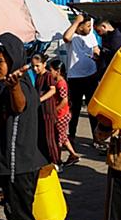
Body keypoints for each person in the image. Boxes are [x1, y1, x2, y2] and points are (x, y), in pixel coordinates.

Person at [0, 33, 51, 220]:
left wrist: (12, 87)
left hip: (18, 165)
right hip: (28, 161)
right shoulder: (24, 80)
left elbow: (19, 105)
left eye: (0, 61)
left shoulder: (18, 85)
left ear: (13, 61)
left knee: (21, 218)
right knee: (21, 214)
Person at [62, 15, 100, 145]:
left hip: (91, 76)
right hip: (75, 78)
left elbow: (96, 49)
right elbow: (66, 37)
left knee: (92, 110)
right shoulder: (73, 36)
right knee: (75, 110)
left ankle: (97, 138)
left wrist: (98, 55)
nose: (90, 28)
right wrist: (77, 21)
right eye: (88, 25)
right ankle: (71, 136)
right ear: (80, 26)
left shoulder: (91, 35)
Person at [31, 53, 61, 166]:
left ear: (44, 64)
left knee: (50, 138)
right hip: (41, 111)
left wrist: (40, 99)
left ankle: (56, 161)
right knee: (43, 137)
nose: (35, 68)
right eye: (33, 66)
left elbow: (53, 90)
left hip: (48, 112)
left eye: (37, 66)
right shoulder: (38, 76)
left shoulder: (48, 76)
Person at [49, 59, 80, 166]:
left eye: (51, 70)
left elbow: (64, 100)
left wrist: (54, 110)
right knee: (62, 136)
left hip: (62, 115)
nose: (50, 73)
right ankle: (73, 155)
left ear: (57, 71)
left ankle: (58, 160)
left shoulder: (61, 84)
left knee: (59, 138)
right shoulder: (58, 82)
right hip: (62, 114)